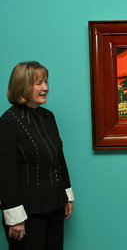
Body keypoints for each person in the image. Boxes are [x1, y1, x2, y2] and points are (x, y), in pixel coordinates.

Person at [0, 61, 75, 250]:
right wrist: (15, 218)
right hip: (26, 214)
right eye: (39, 83)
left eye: (46, 82)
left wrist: (66, 195)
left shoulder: (48, 116)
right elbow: (5, 174)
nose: (46, 88)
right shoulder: (8, 122)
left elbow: (59, 157)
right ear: (23, 86)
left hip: (54, 205)